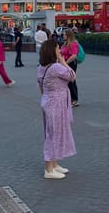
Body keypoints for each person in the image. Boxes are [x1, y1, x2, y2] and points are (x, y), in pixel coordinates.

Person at [37, 39, 76, 179]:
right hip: (56, 103)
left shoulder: (41, 67)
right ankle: (48, 168)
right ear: (52, 51)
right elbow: (72, 76)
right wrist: (63, 61)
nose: (60, 51)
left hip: (48, 101)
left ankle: (53, 164)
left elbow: (40, 86)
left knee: (52, 132)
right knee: (53, 134)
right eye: (58, 49)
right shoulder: (55, 67)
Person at [60, 29, 80, 107]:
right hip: (65, 63)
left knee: (71, 81)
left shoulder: (73, 44)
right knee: (66, 81)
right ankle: (69, 98)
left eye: (64, 34)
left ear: (68, 35)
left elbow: (74, 55)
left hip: (71, 64)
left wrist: (65, 63)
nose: (63, 36)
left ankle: (75, 100)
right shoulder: (65, 43)